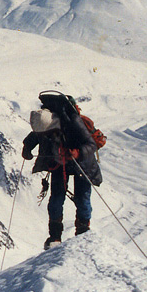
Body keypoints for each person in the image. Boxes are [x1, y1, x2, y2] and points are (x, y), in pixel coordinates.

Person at [22, 94, 103, 250]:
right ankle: (56, 237)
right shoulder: (45, 124)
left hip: (82, 163)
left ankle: (82, 233)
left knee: (82, 199)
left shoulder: (74, 122)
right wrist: (27, 147)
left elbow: (91, 144)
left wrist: (78, 153)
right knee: (56, 199)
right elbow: (34, 136)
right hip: (60, 162)